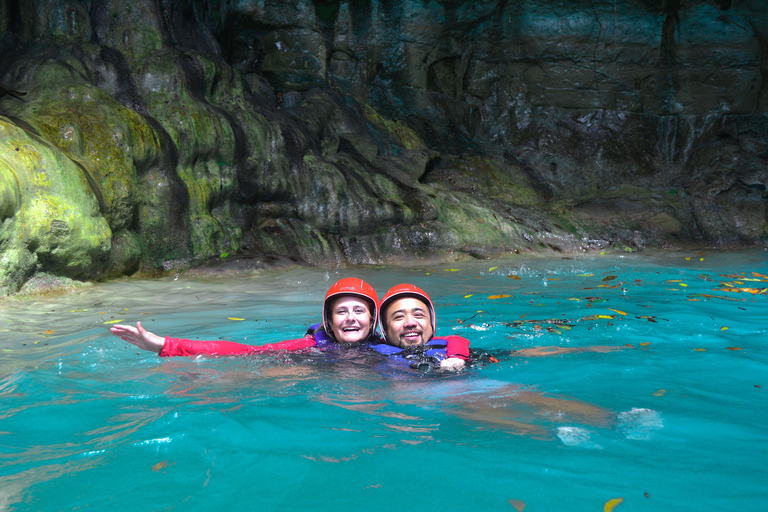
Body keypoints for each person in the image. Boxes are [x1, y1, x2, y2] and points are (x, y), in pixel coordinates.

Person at [110, 278, 380, 356]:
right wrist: (165, 344)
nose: (350, 319)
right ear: (329, 322)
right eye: (341, 312)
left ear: (372, 319)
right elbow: (248, 350)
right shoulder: (313, 347)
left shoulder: (385, 350)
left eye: (359, 311)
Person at [371, 283, 470, 371]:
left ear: (432, 323)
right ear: (385, 329)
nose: (410, 323)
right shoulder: (371, 356)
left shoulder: (452, 353)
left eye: (418, 315)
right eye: (399, 317)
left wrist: (457, 357)